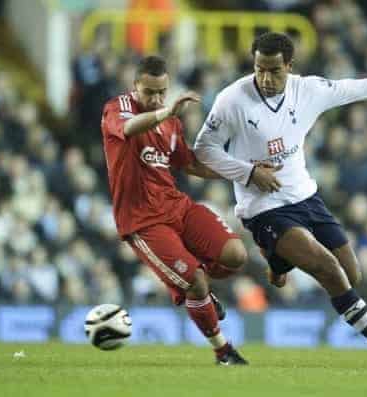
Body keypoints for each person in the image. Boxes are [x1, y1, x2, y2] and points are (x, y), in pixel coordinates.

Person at [195, 32, 367, 367]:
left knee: (352, 275)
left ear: (290, 67)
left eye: (274, 71)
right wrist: (248, 173)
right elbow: (203, 150)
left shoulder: (309, 90)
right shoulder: (231, 100)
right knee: (328, 269)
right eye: (259, 69)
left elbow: (363, 88)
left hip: (306, 196)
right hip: (264, 207)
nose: (265, 78)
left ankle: (278, 261)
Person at [101, 55, 248, 365]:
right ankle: (223, 351)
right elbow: (127, 129)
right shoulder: (118, 109)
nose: (155, 99)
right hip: (143, 221)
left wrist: (243, 171)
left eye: (161, 92)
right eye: (149, 92)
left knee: (236, 254)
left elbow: (190, 163)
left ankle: (202, 294)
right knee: (195, 281)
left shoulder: (171, 123)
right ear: (135, 86)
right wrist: (165, 111)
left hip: (177, 206)